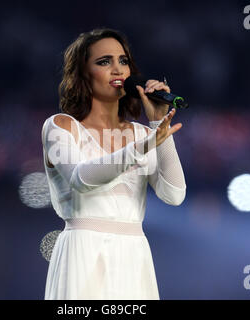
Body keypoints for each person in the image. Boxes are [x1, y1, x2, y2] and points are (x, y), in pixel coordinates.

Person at [41, 28, 186, 300]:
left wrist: (157, 123)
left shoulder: (144, 134)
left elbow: (175, 194)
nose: (117, 70)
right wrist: (146, 145)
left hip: (134, 257)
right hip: (82, 254)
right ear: (82, 74)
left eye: (123, 61)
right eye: (104, 61)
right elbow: (81, 179)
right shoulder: (61, 127)